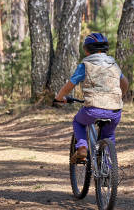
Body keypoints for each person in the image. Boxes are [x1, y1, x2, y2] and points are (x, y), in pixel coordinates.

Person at [54, 33, 129, 163]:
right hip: (115, 110)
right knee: (109, 135)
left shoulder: (85, 65)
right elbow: (125, 83)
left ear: (87, 50)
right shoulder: (113, 64)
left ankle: (82, 147)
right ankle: (109, 171)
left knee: (78, 122)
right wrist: (119, 97)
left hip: (93, 109)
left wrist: (59, 97)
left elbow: (69, 85)